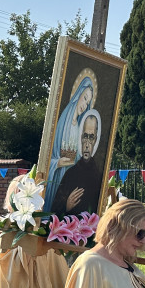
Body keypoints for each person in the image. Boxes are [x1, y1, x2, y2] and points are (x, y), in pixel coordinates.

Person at [45, 76, 96, 209]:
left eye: (88, 102)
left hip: (71, 180)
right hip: (57, 176)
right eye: (84, 98)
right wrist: (58, 163)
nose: (84, 105)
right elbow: (48, 157)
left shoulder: (80, 128)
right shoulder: (63, 121)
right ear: (78, 94)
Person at [50, 112, 103, 217]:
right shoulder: (70, 173)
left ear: (96, 139)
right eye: (85, 136)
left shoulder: (100, 175)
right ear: (81, 137)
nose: (87, 144)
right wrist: (66, 205)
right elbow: (54, 210)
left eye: (91, 137)